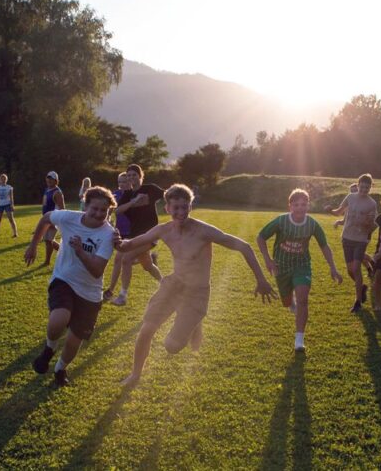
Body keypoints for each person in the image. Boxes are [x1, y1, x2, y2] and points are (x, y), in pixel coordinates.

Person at [119, 184, 276, 387]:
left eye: (185, 207)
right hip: (174, 284)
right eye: (176, 208)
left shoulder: (204, 231)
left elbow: (244, 247)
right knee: (147, 329)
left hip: (197, 292)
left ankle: (194, 323)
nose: (181, 212)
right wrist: (116, 241)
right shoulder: (163, 230)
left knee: (171, 346)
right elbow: (130, 244)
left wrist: (261, 280)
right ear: (167, 208)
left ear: (190, 207)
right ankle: (135, 375)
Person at [24, 186, 117, 387]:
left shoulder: (109, 234)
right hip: (64, 279)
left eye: (104, 211)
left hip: (90, 293)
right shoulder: (68, 217)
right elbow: (46, 218)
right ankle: (49, 349)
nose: (99, 214)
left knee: (74, 341)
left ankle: (60, 369)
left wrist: (80, 251)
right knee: (59, 318)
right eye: (95, 209)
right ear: (85, 205)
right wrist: (33, 245)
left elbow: (97, 271)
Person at [258, 188, 342, 352]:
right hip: (281, 266)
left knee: (303, 299)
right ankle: (291, 302)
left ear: (308, 206)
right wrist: (268, 260)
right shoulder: (281, 221)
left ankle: (299, 340)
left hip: (302, 265)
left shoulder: (312, 224)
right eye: (296, 205)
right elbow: (261, 237)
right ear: (290, 206)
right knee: (287, 302)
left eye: (303, 204)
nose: (300, 208)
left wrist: (333, 268)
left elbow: (324, 246)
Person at [111, 164, 164, 306]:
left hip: (150, 233)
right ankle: (166, 284)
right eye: (128, 175)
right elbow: (118, 210)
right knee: (147, 265)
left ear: (140, 176)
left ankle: (122, 296)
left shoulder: (150, 188)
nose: (131, 177)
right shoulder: (128, 194)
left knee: (126, 259)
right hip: (134, 234)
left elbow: (167, 194)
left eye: (134, 174)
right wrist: (133, 202)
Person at [325, 174, 378, 313]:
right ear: (358, 185)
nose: (364, 189)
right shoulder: (350, 197)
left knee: (356, 268)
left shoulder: (372, 203)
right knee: (350, 270)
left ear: (370, 187)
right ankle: (362, 288)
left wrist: (367, 223)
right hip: (347, 237)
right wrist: (330, 210)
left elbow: (373, 225)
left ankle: (358, 301)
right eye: (362, 186)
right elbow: (339, 212)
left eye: (367, 187)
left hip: (361, 239)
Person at [104, 172, 132, 301]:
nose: (122, 184)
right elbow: (108, 211)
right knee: (147, 264)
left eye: (124, 182)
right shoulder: (116, 194)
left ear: (130, 182)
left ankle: (111, 291)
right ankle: (162, 280)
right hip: (120, 232)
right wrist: (107, 221)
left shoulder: (134, 195)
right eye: (119, 182)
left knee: (118, 260)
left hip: (133, 232)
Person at [41, 171, 65, 266]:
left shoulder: (57, 192)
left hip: (53, 219)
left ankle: (47, 261)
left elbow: (62, 208)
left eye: (51, 179)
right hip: (47, 218)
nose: (49, 180)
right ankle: (65, 253)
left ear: (56, 181)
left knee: (49, 240)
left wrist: (54, 221)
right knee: (47, 240)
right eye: (48, 178)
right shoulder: (47, 190)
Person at [0, 173, 18, 238]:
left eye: (4, 179)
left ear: (6, 180)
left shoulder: (9, 187)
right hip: (0, 206)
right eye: (1, 179)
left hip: (8, 205)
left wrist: (12, 205)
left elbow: (11, 197)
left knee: (11, 219)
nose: (3, 180)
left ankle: (15, 233)